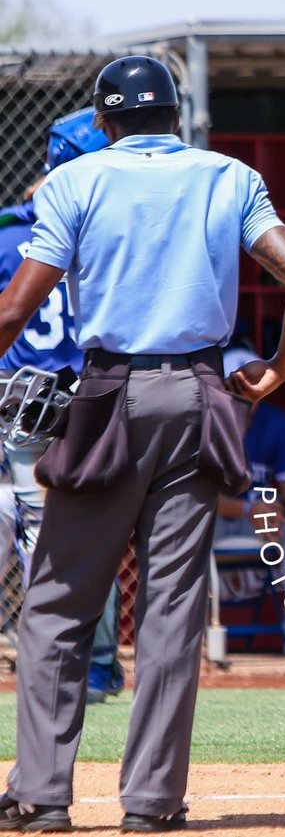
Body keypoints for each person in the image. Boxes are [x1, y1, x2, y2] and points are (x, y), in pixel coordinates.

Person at [0, 56, 285, 833]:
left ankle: (42, 795)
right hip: (201, 393)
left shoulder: (78, 180)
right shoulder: (228, 176)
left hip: (110, 395)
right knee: (173, 607)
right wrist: (280, 365)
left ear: (106, 122)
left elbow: (16, 310)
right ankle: (151, 803)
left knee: (57, 602)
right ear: (175, 116)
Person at [0, 107, 131, 707]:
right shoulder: (116, 229)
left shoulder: (10, 232)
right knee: (93, 529)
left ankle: (57, 660)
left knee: (36, 532)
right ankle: (97, 665)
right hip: (96, 395)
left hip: (23, 401)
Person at [216, 347, 285, 656]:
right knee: (183, 517)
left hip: (260, 523)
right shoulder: (199, 420)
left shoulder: (275, 421)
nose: (242, 393)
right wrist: (250, 510)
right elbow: (191, 496)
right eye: (234, 386)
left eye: (249, 385)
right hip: (211, 523)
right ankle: (183, 636)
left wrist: (280, 510)